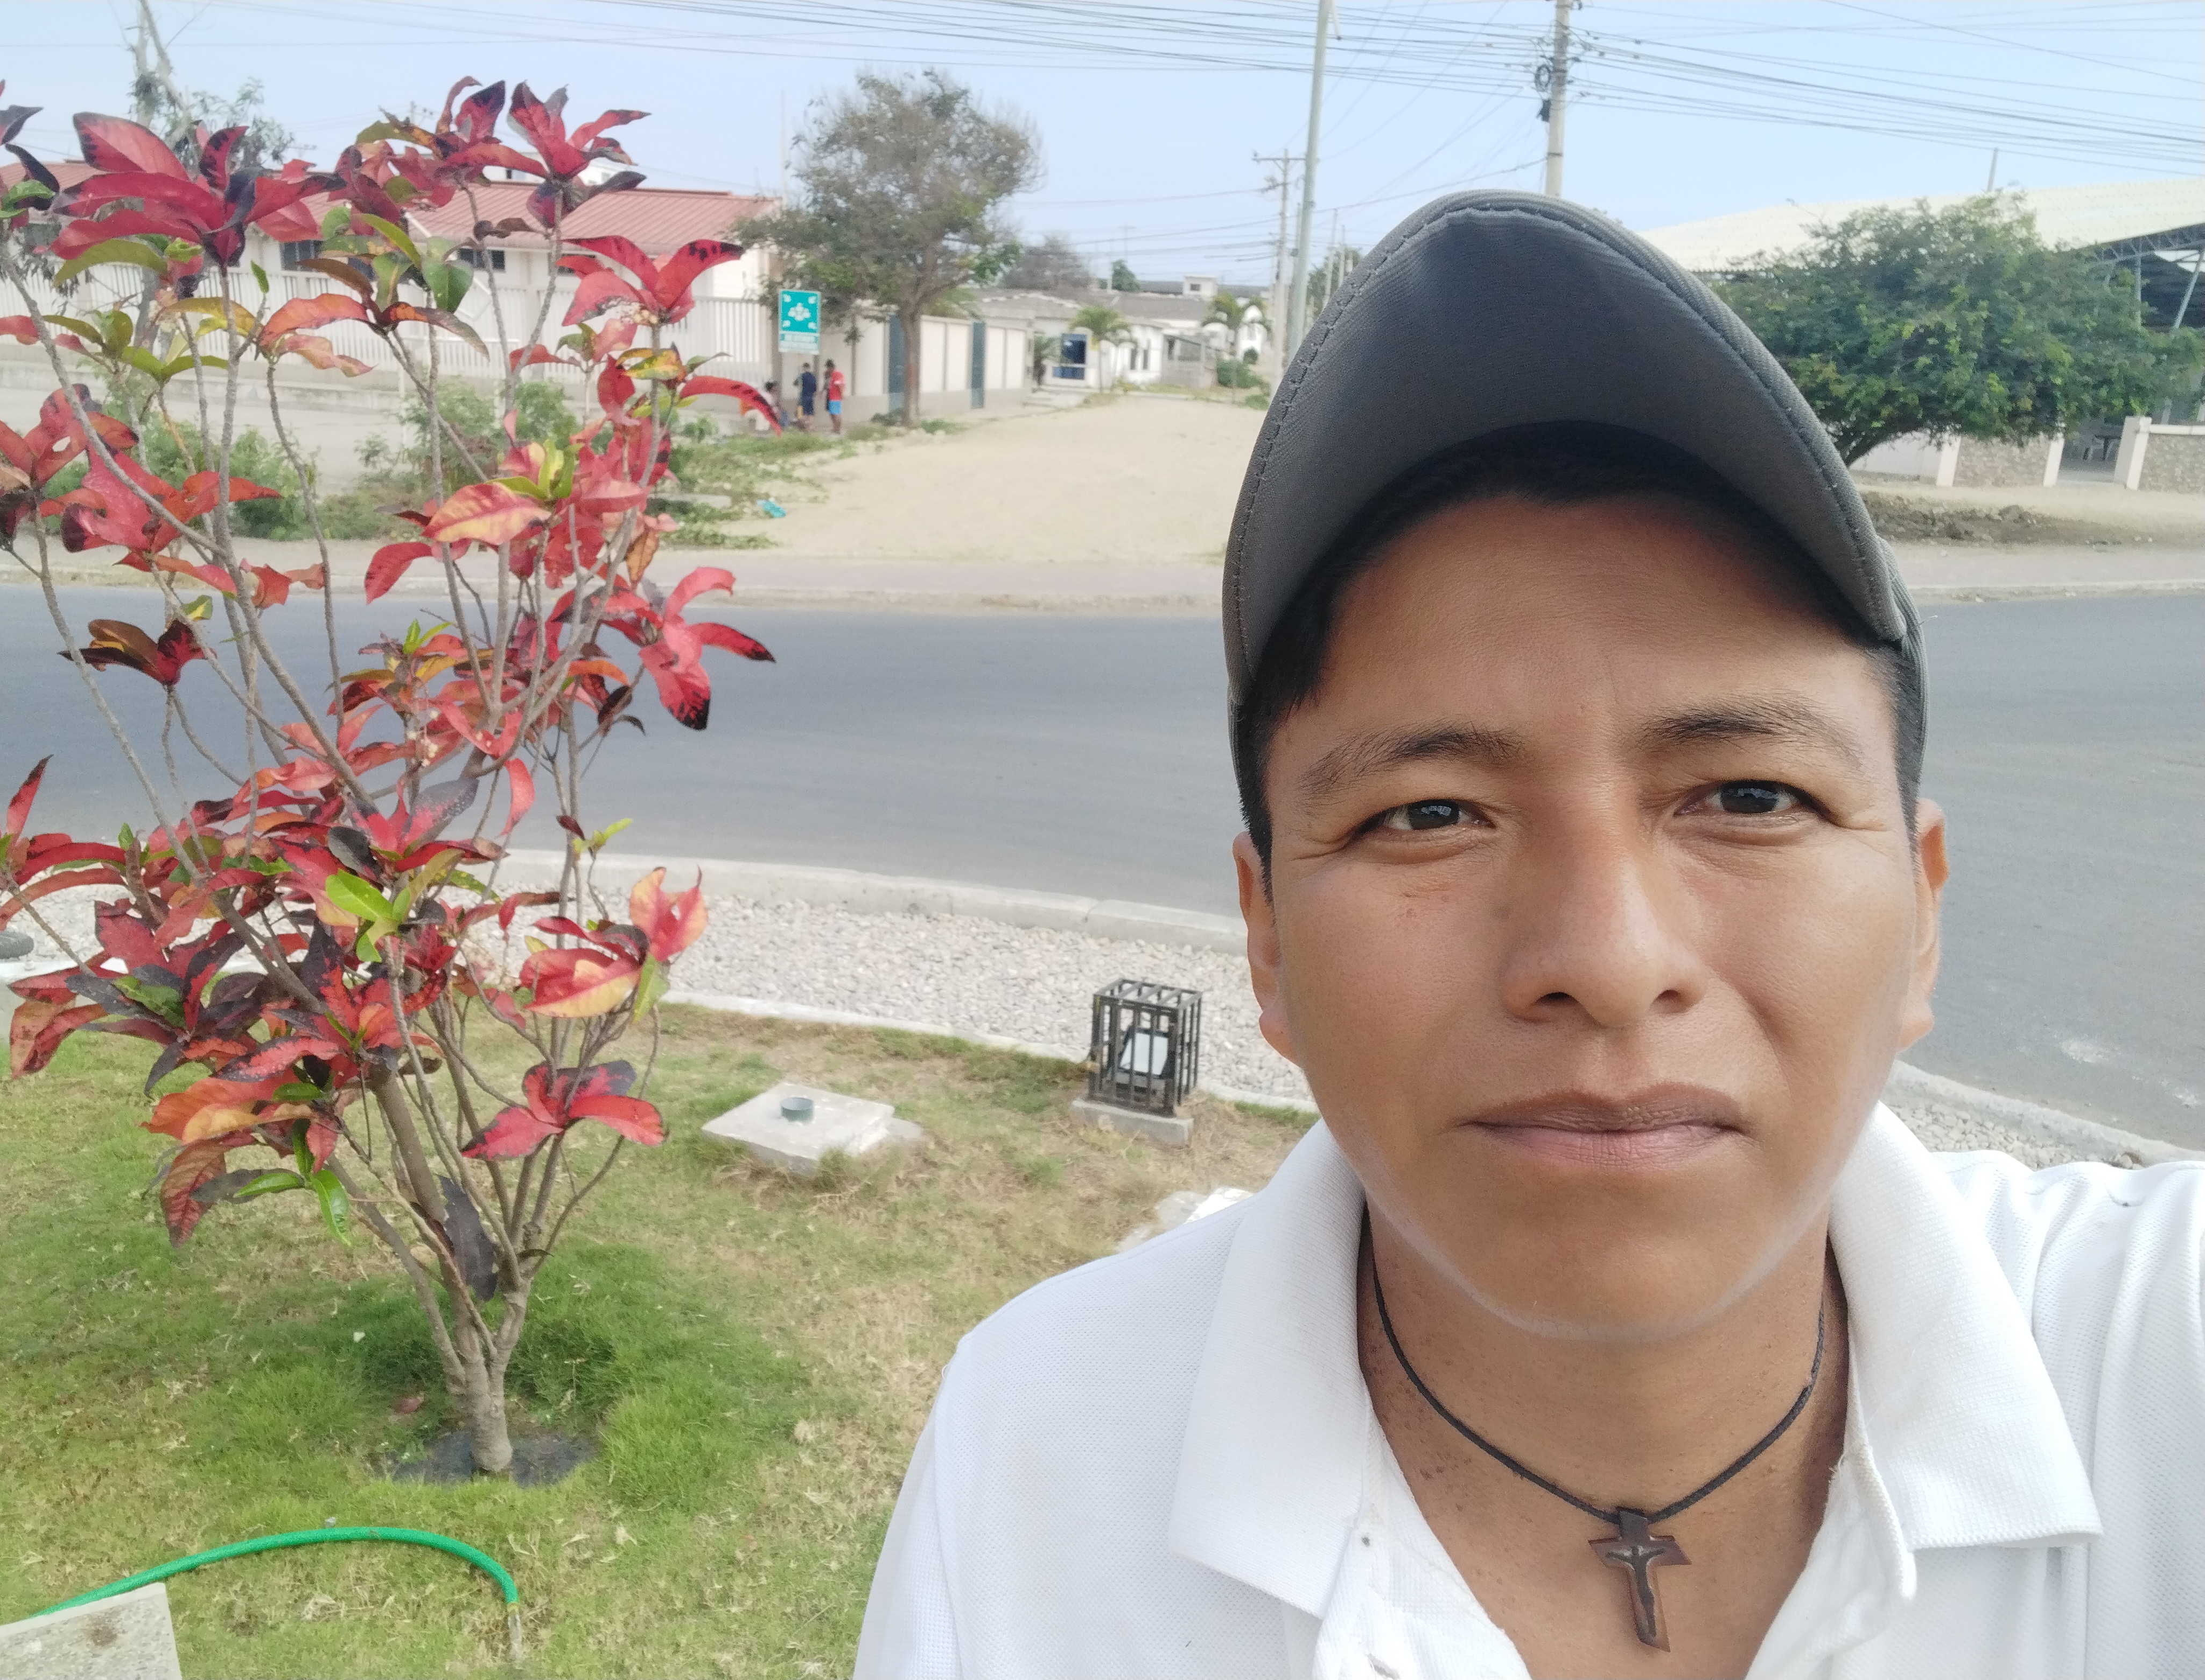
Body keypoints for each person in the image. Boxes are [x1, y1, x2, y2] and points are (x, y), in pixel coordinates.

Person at [853, 193, 2203, 1678]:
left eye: (1749, 796)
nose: (1610, 962)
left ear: (1923, 911)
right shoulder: (1034, 1456)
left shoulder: (2161, 1345)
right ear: (1268, 940)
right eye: (1429, 814)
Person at [825, 358, 845, 435]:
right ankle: (836, 428)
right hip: (832, 397)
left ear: (831, 368)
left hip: (835, 397)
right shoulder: (835, 374)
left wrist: (842, 394)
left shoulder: (836, 374)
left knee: (836, 414)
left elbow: (839, 385)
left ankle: (837, 429)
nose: (828, 370)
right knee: (834, 413)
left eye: (828, 368)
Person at [797, 361, 818, 431]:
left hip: (804, 396)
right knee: (811, 412)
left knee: (804, 412)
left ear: (804, 368)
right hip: (811, 396)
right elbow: (815, 388)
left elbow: (795, 383)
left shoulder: (802, 376)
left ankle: (805, 426)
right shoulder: (813, 377)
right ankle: (811, 426)